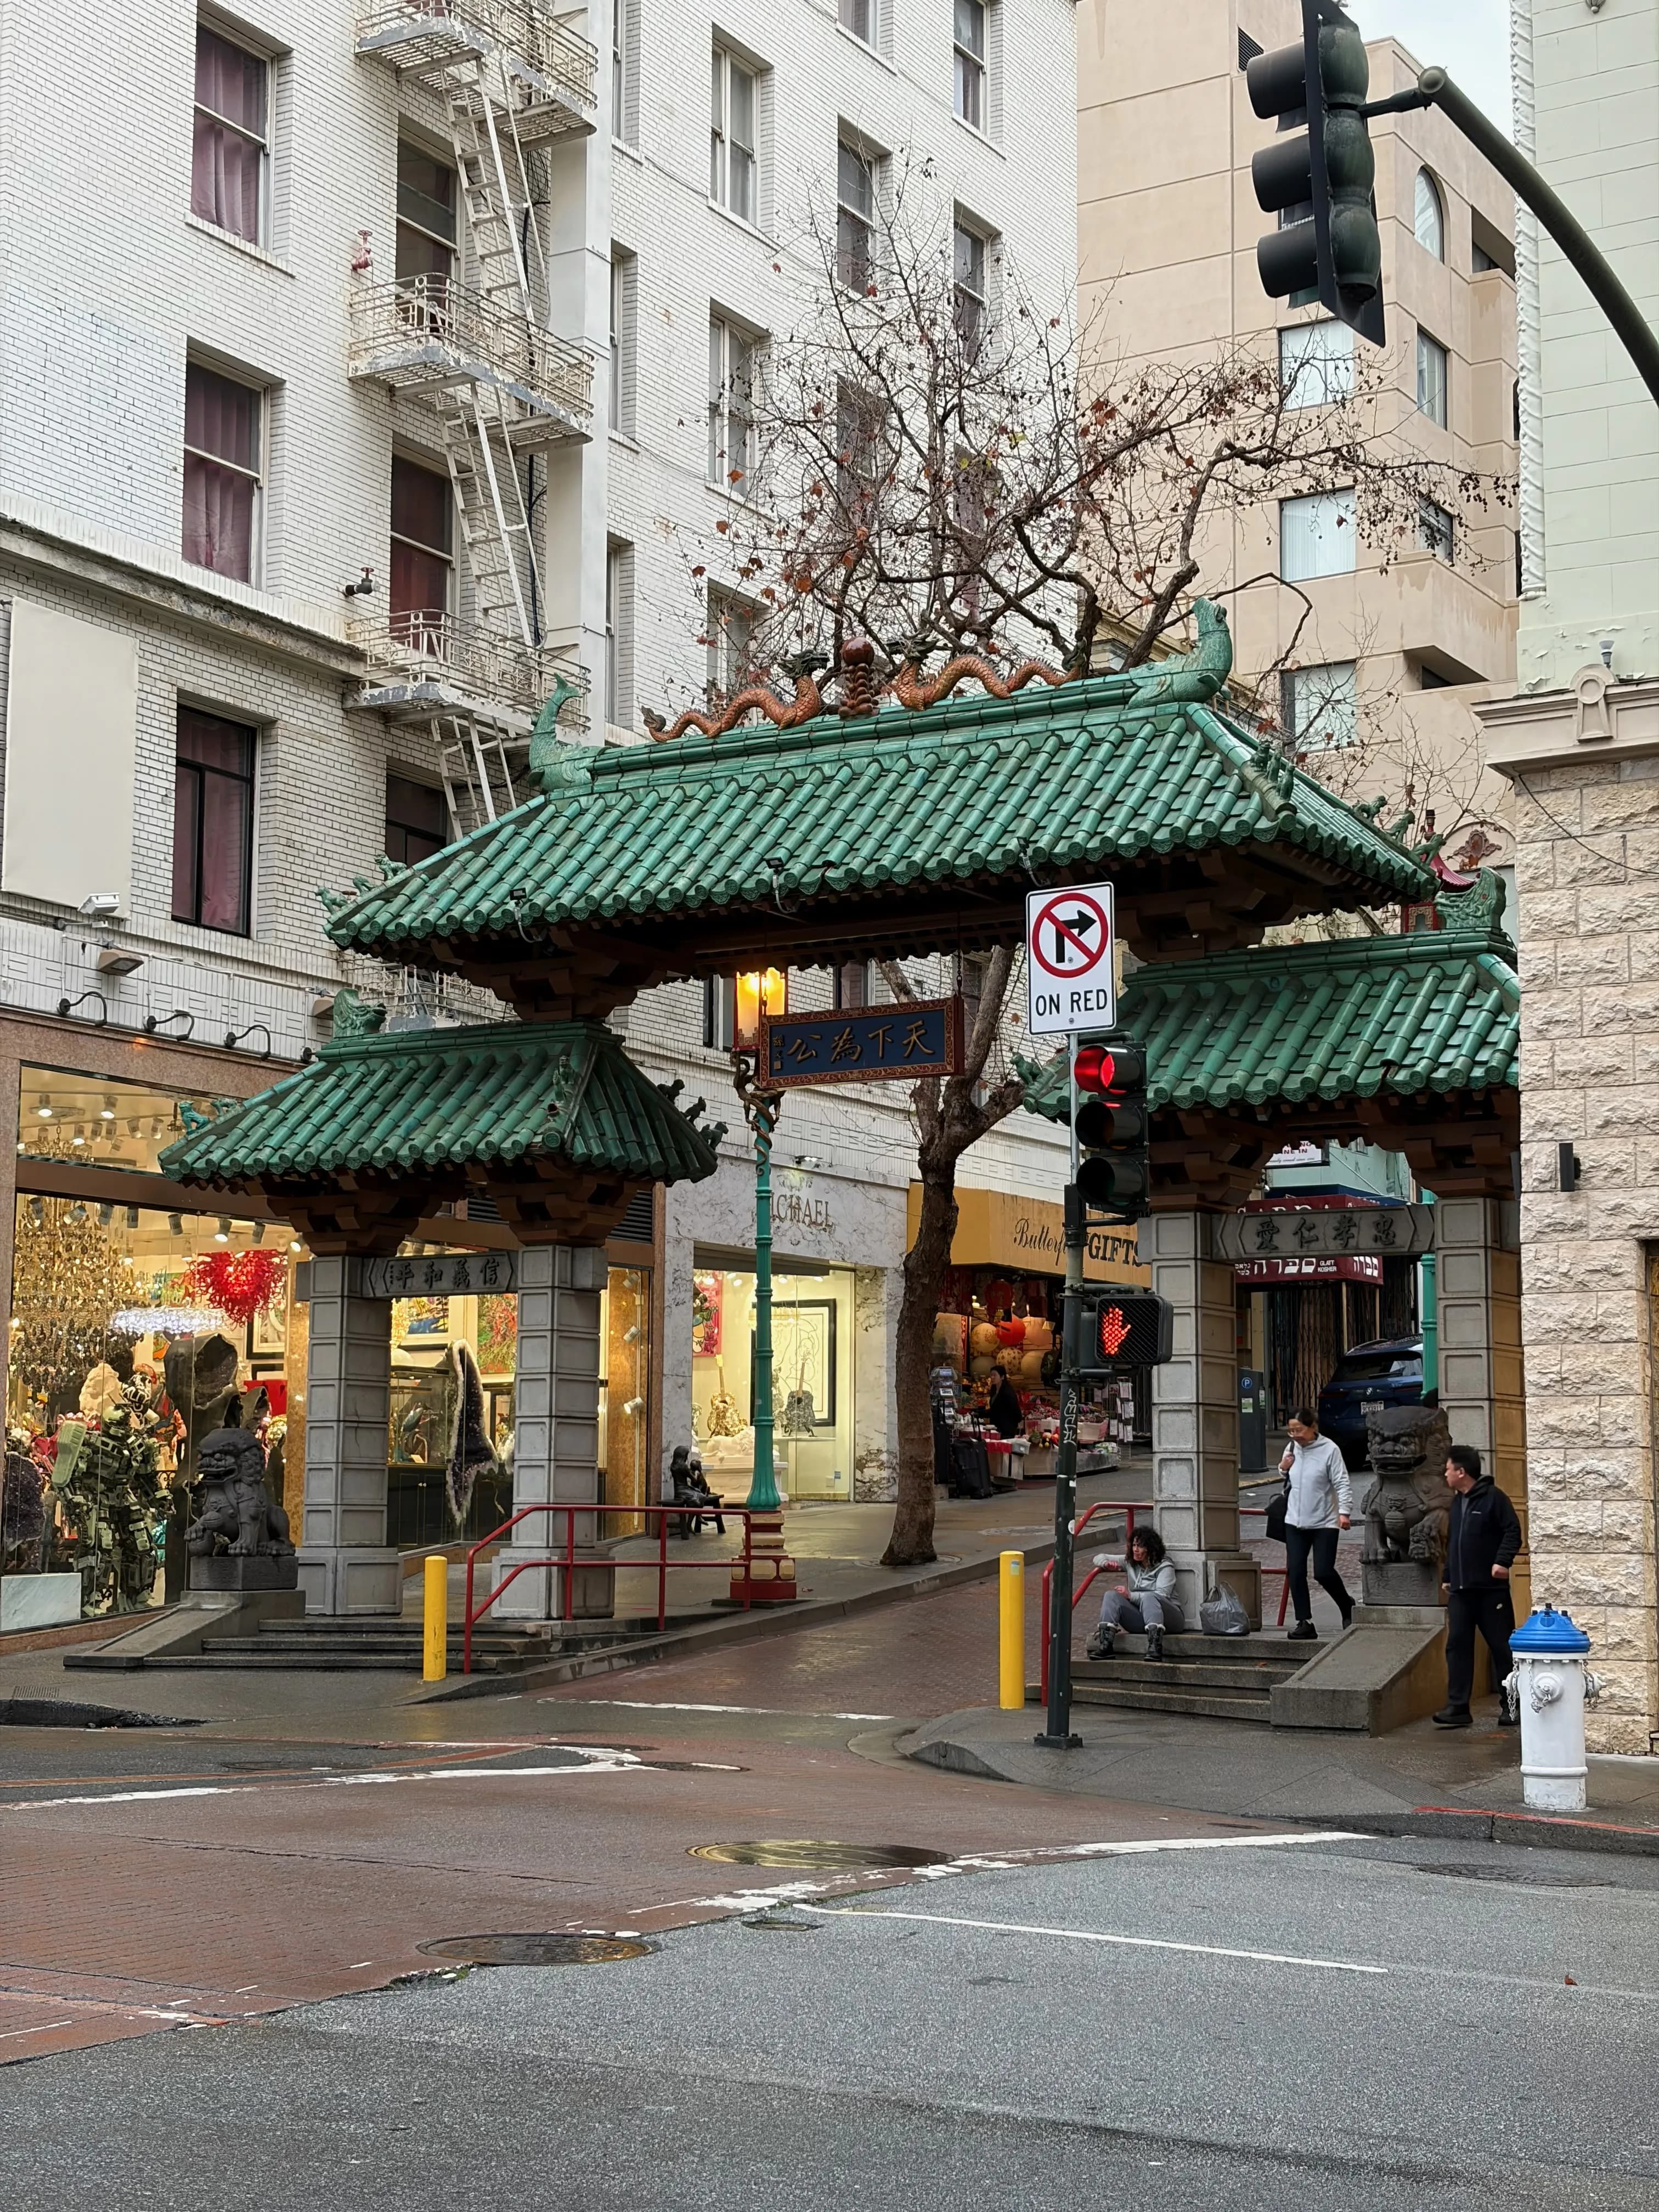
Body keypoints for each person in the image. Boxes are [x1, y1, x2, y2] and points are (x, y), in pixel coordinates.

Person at [1435, 1442, 1522, 1729]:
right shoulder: (1458, 1502)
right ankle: (1458, 1706)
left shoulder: (1494, 1499)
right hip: (1461, 1590)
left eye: (1448, 1469)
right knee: (1457, 1646)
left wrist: (1502, 1562)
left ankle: (1512, 1706)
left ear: (1461, 1472)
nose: (1444, 1474)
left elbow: (1513, 1531)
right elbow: (1454, 1544)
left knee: (1501, 1648)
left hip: (1490, 1591)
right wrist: (1449, 1574)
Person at [1279, 1407, 1353, 1641]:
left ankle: (1347, 1605)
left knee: (1323, 1571)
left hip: (1325, 1521)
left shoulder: (1330, 1450)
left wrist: (1344, 1512)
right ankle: (1305, 1622)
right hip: (1294, 1521)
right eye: (1291, 1431)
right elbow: (1287, 1476)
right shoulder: (1291, 1448)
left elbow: (1341, 1482)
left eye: (1299, 1430)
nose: (1296, 1435)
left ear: (1313, 1428)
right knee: (1296, 1571)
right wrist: (1283, 1468)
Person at [1085, 1526, 1184, 1661]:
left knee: (1151, 1596)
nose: (1136, 1550)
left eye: (1140, 1546)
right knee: (1111, 1596)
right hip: (1142, 1619)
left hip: (1170, 1619)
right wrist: (1107, 1563)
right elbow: (1098, 1557)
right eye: (1134, 1545)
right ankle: (1106, 1644)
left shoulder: (1165, 1567)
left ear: (1151, 1548)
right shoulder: (1131, 1562)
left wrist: (1131, 1596)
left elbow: (1162, 1595)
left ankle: (1155, 1647)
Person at [985, 1363, 1023, 1440]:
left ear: (1002, 1377)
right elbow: (994, 1410)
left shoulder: (1008, 1392)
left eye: (995, 1375)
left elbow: (1016, 1411)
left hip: (1007, 1429)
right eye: (991, 1375)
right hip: (996, 1427)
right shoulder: (994, 1391)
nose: (992, 1377)